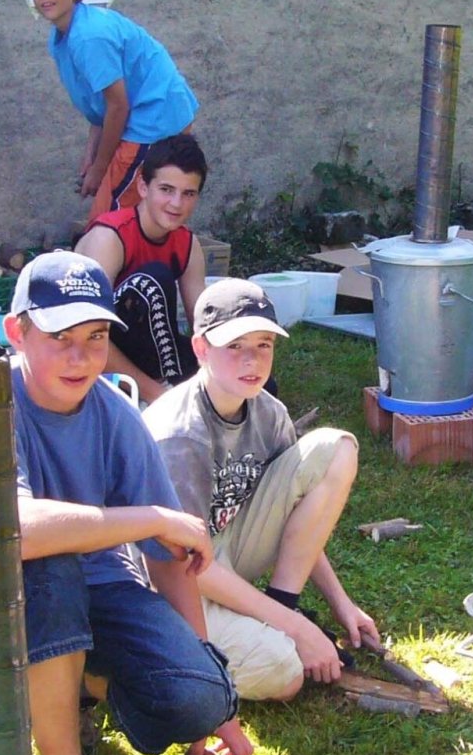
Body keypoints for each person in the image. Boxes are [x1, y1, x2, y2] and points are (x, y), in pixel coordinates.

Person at [4, 250, 251, 755]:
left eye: (95, 339)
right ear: (17, 333)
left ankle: (78, 688)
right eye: (59, 338)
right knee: (52, 567)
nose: (80, 358)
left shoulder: (114, 414)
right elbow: (15, 532)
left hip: (105, 594)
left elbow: (172, 559)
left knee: (200, 695)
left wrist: (211, 690)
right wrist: (150, 518)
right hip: (6, 603)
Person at [142, 279, 379, 703]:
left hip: (227, 550)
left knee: (336, 448)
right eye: (234, 345)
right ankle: (140, 666)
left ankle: (280, 607)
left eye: (264, 344)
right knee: (284, 672)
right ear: (200, 348)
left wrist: (340, 602)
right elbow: (187, 567)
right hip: (172, 584)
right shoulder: (179, 435)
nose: (252, 360)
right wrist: (298, 631)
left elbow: (298, 516)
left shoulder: (268, 412)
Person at [26, 0, 199, 222]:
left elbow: (118, 106)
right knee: (138, 218)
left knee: (110, 220)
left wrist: (99, 169)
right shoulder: (62, 37)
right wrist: (91, 157)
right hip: (145, 115)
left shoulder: (89, 37)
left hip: (154, 118)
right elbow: (100, 106)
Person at [75, 133, 209, 403]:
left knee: (253, 382)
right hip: (89, 352)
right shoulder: (110, 237)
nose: (176, 204)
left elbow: (205, 325)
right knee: (153, 280)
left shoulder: (187, 244)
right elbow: (86, 333)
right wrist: (160, 397)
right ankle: (159, 395)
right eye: (166, 190)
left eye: (188, 194)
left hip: (155, 349)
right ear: (143, 187)